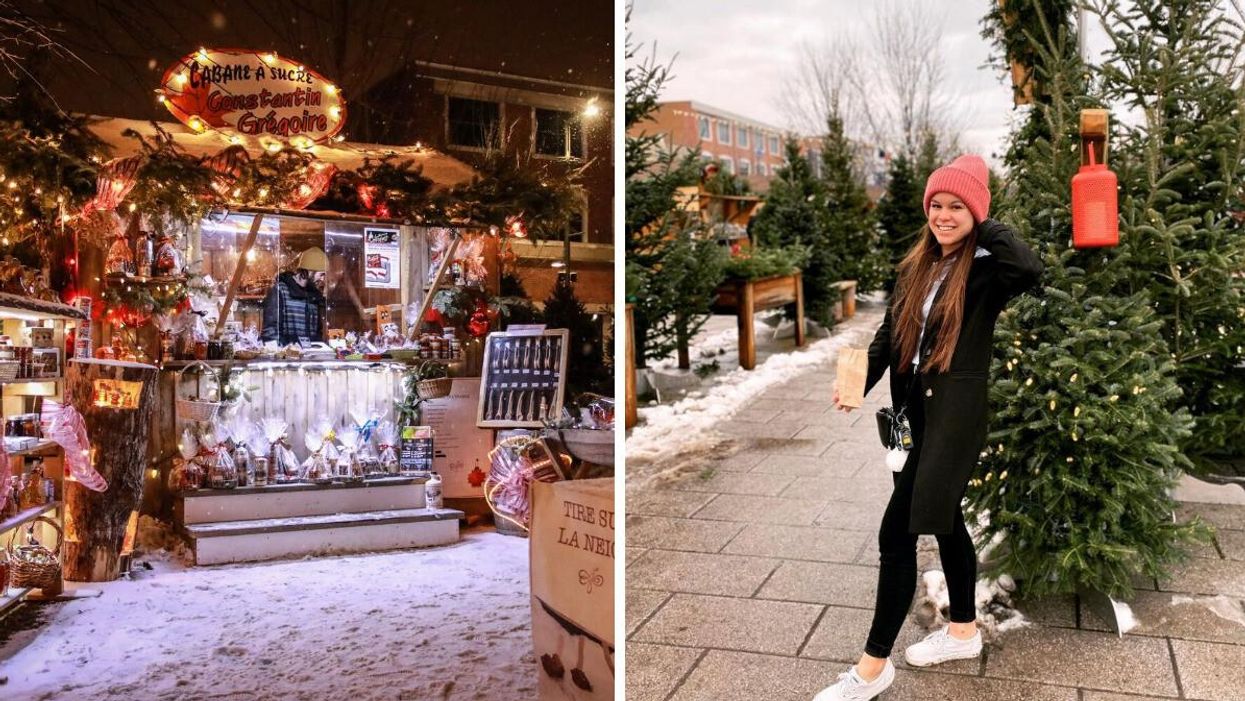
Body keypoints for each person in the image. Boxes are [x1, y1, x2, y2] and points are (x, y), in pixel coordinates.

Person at [815, 155, 1044, 700]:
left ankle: (872, 667)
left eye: (956, 206)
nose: (943, 215)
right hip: (909, 416)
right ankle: (963, 631)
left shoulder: (988, 269)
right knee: (943, 521)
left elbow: (1032, 272)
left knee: (897, 536)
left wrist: (981, 221)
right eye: (937, 205)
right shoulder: (914, 267)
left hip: (955, 418)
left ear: (976, 212)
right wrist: (859, 381)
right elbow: (890, 338)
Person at [261, 246, 328, 345]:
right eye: (321, 274)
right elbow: (271, 331)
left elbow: (318, 332)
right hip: (287, 357)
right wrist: (282, 353)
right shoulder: (280, 290)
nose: (322, 279)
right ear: (309, 270)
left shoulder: (314, 296)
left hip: (311, 357)